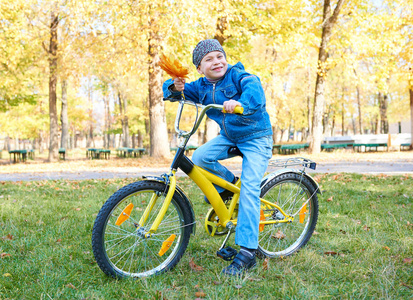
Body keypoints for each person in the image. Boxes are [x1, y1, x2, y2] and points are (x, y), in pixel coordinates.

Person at [162, 39, 273, 276]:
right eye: (208, 59)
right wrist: (175, 87)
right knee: (201, 157)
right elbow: (171, 92)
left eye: (219, 56)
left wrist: (240, 103)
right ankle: (229, 186)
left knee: (251, 188)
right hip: (229, 136)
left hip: (256, 137)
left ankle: (247, 253)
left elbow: (253, 88)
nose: (216, 62)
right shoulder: (201, 86)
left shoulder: (237, 75)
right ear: (200, 69)